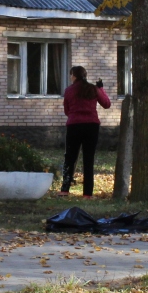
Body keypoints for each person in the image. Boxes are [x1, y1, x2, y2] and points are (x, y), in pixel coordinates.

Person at [56, 65, 111, 199]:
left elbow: (66, 110)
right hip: (91, 126)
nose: (70, 77)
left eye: (71, 75)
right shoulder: (93, 88)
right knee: (88, 158)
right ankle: (87, 193)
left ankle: (65, 189)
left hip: (74, 125)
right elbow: (107, 104)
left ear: (74, 75)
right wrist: (101, 88)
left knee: (70, 157)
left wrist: (75, 115)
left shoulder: (69, 90)